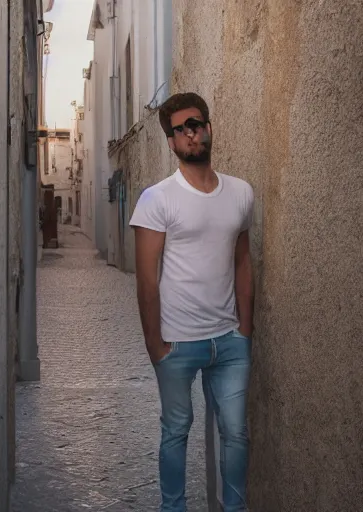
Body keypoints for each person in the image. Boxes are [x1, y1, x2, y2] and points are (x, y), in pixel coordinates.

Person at [129, 92, 255, 512]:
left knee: (236, 433)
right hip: (178, 342)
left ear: (209, 126)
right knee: (176, 431)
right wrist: (156, 346)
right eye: (181, 129)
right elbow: (147, 279)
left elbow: (242, 262)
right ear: (171, 142)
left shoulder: (240, 193)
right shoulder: (157, 198)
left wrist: (245, 330)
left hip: (230, 343)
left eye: (196, 123)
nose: (191, 133)